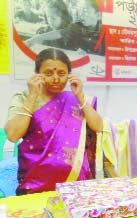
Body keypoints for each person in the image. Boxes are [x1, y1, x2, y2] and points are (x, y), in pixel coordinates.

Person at [4, 48, 103, 195]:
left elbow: (98, 126)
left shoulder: (75, 99)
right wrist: (32, 96)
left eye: (61, 73)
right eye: (48, 73)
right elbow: (13, 135)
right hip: (34, 182)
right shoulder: (24, 97)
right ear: (37, 74)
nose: (56, 78)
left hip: (74, 183)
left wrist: (80, 96)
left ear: (69, 75)